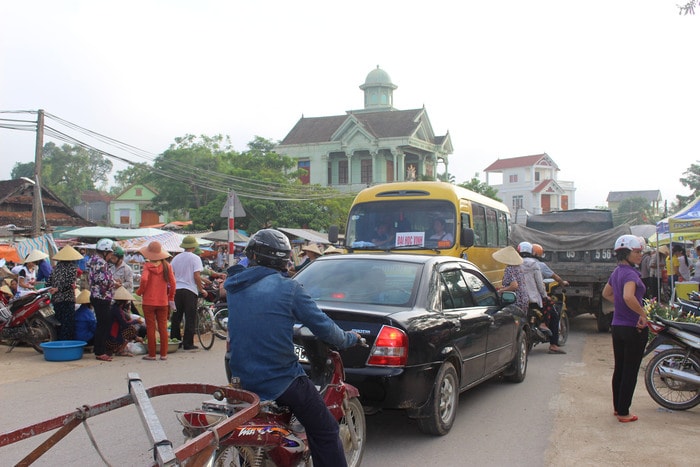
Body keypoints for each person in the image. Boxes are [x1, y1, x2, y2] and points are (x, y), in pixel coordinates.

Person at [224, 228, 361, 467]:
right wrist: (350, 338)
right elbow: (326, 329)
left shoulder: (234, 285)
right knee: (326, 430)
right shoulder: (289, 288)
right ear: (284, 258)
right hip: (281, 381)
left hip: (241, 379)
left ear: (252, 256)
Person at [601, 234, 648, 423]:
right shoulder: (630, 274)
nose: (640, 255)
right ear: (627, 253)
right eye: (637, 252)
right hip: (632, 327)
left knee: (620, 368)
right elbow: (629, 297)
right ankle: (624, 412)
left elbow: (607, 293)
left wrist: (619, 304)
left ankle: (618, 406)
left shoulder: (617, 272)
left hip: (618, 326)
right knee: (630, 369)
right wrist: (642, 313)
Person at [518, 241, 566, 354]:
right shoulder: (535, 265)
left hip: (518, 300)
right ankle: (553, 344)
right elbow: (540, 284)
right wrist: (545, 296)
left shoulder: (515, 264)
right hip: (533, 300)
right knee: (554, 313)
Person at [136, 241, 176, 361]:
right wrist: (170, 297)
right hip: (163, 302)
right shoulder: (167, 266)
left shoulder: (147, 266)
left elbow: (144, 280)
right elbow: (173, 283)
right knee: (163, 327)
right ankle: (164, 354)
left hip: (148, 302)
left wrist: (140, 291)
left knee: (151, 328)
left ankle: (152, 354)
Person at [170, 235, 206, 350]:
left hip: (177, 290)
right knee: (190, 317)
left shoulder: (176, 258)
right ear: (194, 247)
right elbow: (197, 276)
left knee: (176, 317)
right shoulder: (195, 258)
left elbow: (172, 275)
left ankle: (175, 341)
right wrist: (201, 289)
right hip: (190, 290)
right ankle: (188, 343)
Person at [87, 238, 117, 362]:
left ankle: (99, 349)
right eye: (110, 253)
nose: (111, 256)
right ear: (105, 252)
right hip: (101, 297)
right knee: (103, 325)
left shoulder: (92, 260)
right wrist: (114, 283)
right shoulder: (101, 263)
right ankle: (100, 351)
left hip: (95, 295)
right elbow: (103, 281)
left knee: (102, 323)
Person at [46, 245, 82, 341]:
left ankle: (58, 343)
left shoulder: (55, 269)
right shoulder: (72, 269)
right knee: (68, 323)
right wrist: (59, 289)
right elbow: (70, 284)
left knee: (58, 322)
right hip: (68, 299)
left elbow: (48, 283)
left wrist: (55, 289)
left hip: (56, 300)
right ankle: (67, 343)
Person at [105, 286, 143, 357]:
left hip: (107, 339)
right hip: (111, 341)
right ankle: (120, 350)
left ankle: (117, 348)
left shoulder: (113, 308)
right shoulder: (117, 310)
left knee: (130, 327)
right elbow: (125, 324)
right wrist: (136, 321)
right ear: (124, 301)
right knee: (131, 329)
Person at [493, 246, 528, 312]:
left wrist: (501, 291)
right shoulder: (519, 267)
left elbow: (514, 286)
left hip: (515, 300)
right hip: (524, 298)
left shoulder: (509, 269)